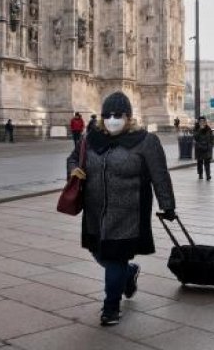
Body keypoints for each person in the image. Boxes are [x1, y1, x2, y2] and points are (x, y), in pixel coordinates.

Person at [66, 91, 176, 326]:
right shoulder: (91, 138)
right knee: (99, 252)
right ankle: (128, 273)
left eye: (118, 114)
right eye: (108, 114)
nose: (112, 119)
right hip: (95, 211)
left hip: (128, 213)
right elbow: (73, 158)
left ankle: (111, 307)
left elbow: (160, 175)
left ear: (128, 117)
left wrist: (167, 205)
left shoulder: (145, 141)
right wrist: (74, 170)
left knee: (114, 257)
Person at [193, 116, 214, 180]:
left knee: (207, 162)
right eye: (201, 121)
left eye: (203, 121)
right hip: (199, 148)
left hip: (207, 148)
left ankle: (208, 175)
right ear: (198, 122)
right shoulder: (196, 128)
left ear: (205, 122)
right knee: (199, 162)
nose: (202, 123)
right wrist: (200, 129)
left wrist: (211, 145)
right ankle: (200, 174)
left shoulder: (208, 129)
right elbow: (195, 137)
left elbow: (212, 138)